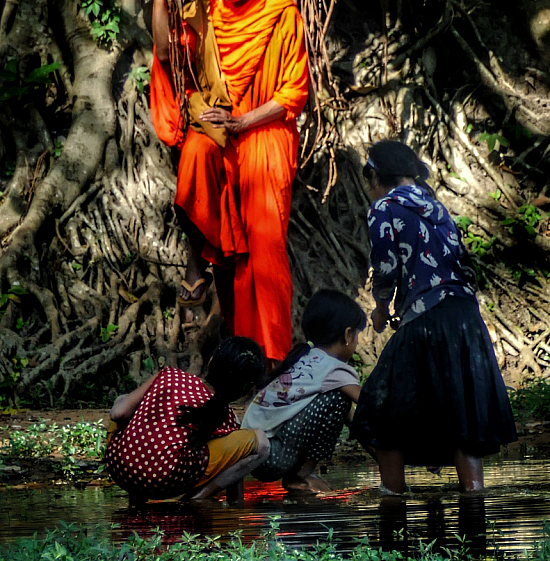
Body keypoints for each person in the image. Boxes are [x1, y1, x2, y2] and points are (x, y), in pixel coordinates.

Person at [150, 0, 309, 364]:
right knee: (196, 156)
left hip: (264, 135)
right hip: (218, 134)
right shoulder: (199, 14)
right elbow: (165, 52)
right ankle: (198, 263)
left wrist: (243, 121)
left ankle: (271, 358)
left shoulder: (279, 12)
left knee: (263, 250)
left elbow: (293, 93)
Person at [352, 139, 517, 495]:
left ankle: (393, 500)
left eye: (369, 180)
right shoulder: (436, 205)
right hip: (464, 316)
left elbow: (385, 267)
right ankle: (474, 498)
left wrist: (381, 308)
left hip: (426, 316)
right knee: (461, 413)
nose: (369, 188)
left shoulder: (384, 206)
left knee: (380, 410)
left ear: (376, 176)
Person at [105, 338, 269, 502]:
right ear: (245, 390)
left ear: (211, 361)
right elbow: (233, 461)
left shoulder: (170, 376)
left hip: (120, 468)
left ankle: (137, 501)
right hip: (168, 481)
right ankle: (194, 500)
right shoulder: (227, 417)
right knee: (261, 443)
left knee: (124, 400)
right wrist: (236, 506)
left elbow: (118, 414)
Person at [242, 289, 366, 493]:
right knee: (339, 400)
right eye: (357, 335)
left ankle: (301, 475)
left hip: (252, 455)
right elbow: (369, 407)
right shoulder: (334, 368)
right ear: (347, 335)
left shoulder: (306, 357)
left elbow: (357, 420)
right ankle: (302, 475)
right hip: (273, 458)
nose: (357, 342)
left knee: (339, 401)